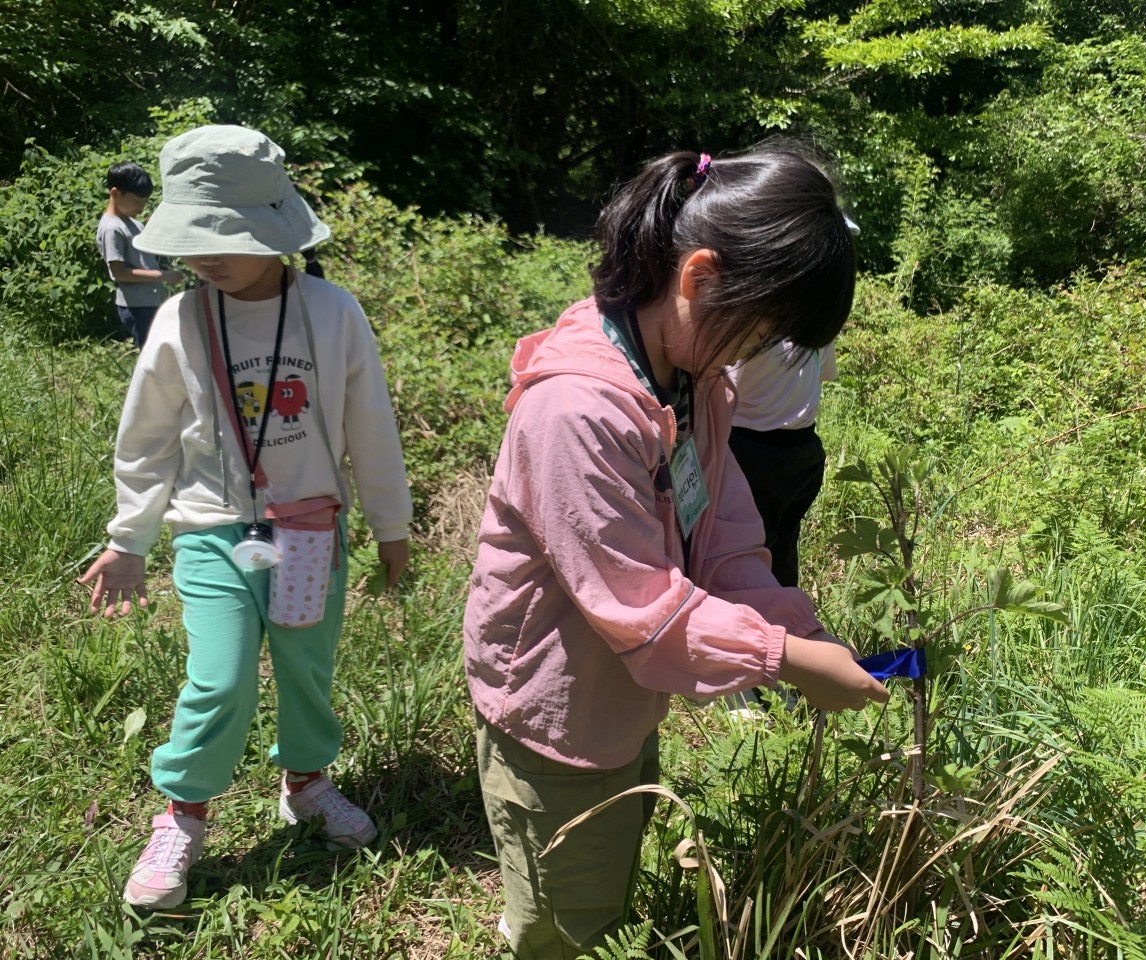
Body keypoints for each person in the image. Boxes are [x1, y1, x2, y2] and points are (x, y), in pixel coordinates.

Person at [464, 143, 890, 959]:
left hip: (616, 692)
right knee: (562, 913)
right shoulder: (580, 413)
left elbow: (724, 528)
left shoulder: (692, 379)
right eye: (762, 331)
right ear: (699, 278)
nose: (755, 356)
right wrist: (786, 662)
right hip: (554, 697)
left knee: (603, 863)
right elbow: (645, 616)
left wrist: (788, 621)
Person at [78, 125, 413, 911]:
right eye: (193, 239)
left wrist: (390, 527)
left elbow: (372, 426)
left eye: (221, 237)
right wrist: (128, 538)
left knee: (307, 669)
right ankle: (183, 814)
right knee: (219, 678)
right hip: (213, 532)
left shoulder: (333, 313)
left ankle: (306, 783)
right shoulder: (180, 319)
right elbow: (147, 439)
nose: (202, 257)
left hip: (308, 531)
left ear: (275, 232)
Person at [726, 339, 838, 588]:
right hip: (804, 450)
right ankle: (785, 613)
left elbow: (719, 385)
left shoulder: (752, 323)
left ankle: (756, 613)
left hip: (748, 449)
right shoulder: (819, 318)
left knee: (742, 550)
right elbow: (824, 374)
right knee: (783, 545)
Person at [95, 161, 185, 347]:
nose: (141, 207)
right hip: (137, 307)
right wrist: (163, 276)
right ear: (115, 193)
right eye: (137, 202)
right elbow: (119, 272)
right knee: (149, 354)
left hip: (149, 301)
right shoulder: (112, 229)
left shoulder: (131, 222)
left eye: (144, 202)